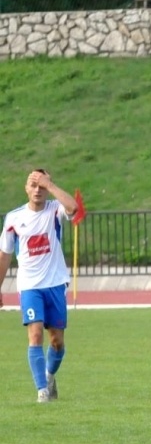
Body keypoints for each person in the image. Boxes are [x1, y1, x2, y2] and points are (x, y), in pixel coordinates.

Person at [0, 171, 78, 403]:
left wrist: (50, 185)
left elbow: (74, 208)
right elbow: (4, 255)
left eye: (41, 186)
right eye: (34, 185)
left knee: (57, 342)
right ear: (26, 188)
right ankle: (42, 391)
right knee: (35, 336)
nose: (38, 190)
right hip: (30, 286)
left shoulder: (55, 209)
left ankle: (49, 376)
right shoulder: (14, 219)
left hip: (54, 284)